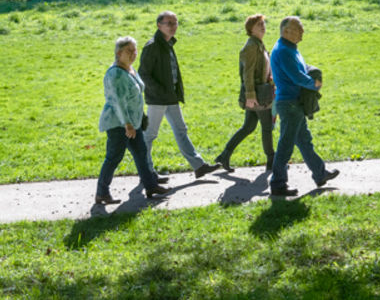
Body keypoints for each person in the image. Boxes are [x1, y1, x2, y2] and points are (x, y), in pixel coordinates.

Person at [139, 11, 220, 180]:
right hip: (158, 99)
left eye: (175, 23)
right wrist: (160, 91)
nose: (173, 26)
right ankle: (146, 173)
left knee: (181, 130)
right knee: (149, 135)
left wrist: (174, 92)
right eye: (169, 23)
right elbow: (143, 74)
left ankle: (198, 166)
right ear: (159, 26)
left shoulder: (168, 44)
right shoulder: (152, 46)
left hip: (170, 97)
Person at [269, 16, 339, 197]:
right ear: (286, 31)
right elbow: (296, 76)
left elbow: (301, 68)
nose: (302, 32)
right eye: (298, 29)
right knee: (286, 144)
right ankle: (277, 183)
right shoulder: (284, 50)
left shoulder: (290, 49)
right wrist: (314, 84)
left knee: (304, 141)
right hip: (289, 103)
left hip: (294, 102)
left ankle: (320, 173)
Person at [95, 36, 169, 205]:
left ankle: (150, 186)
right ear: (119, 53)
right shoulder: (116, 74)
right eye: (129, 51)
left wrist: (139, 118)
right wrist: (127, 124)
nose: (134, 54)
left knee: (141, 153)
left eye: (135, 50)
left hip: (133, 124)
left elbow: (134, 98)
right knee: (114, 157)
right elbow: (118, 103)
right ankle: (101, 193)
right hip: (118, 124)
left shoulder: (129, 69)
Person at [214, 14, 277, 173]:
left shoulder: (259, 44)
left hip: (260, 91)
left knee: (249, 127)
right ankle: (272, 160)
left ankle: (224, 155)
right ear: (250, 29)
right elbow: (247, 73)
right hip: (257, 95)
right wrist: (250, 96)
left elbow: (260, 69)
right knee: (267, 127)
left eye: (263, 23)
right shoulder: (251, 46)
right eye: (258, 25)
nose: (262, 26)